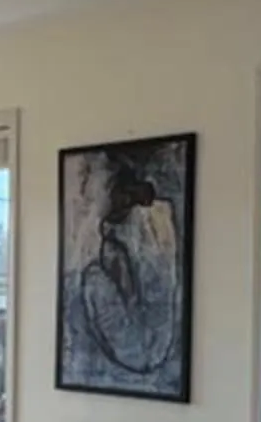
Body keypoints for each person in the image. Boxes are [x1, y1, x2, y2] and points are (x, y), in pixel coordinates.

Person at [65, 152, 184, 388]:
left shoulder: (147, 239)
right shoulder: (99, 268)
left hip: (141, 352)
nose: (84, 205)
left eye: (89, 199)